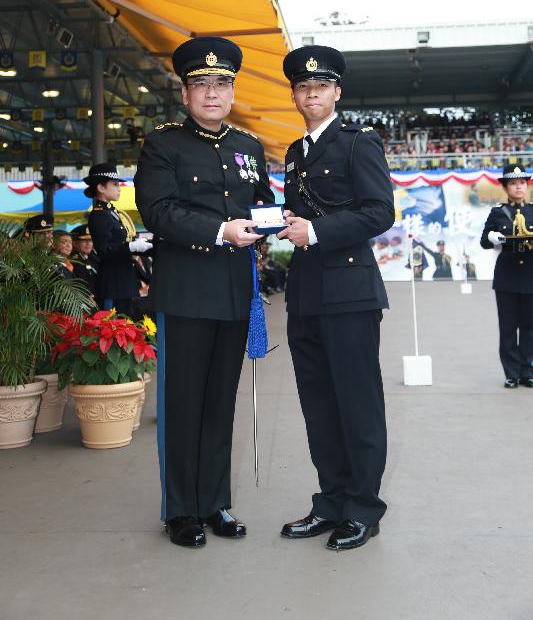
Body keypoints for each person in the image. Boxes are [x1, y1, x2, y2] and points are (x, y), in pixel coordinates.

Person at [134, 36, 274, 549]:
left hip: (235, 294)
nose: (212, 93)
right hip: (187, 292)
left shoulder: (248, 146)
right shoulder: (163, 143)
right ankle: (181, 511)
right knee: (183, 404)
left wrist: (274, 221)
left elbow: (262, 201)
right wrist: (221, 231)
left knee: (220, 404)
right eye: (202, 84)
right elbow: (159, 211)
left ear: (232, 91)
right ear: (185, 92)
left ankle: (215, 503)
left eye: (221, 84)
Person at [277, 45, 395, 552]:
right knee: (319, 404)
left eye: (319, 87)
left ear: (336, 92)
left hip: (349, 292)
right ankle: (330, 501)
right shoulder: (294, 152)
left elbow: (378, 213)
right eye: (303, 88)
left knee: (357, 402)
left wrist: (316, 232)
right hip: (305, 293)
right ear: (295, 96)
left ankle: (363, 508)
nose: (311, 94)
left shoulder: (357, 143)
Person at [480, 164, 533, 388]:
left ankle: (528, 371)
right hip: (507, 278)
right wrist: (493, 237)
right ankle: (511, 373)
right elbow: (483, 241)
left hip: (531, 276)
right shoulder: (497, 212)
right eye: (513, 183)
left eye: (522, 182)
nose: (518, 187)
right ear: (506, 187)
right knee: (508, 328)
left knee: (530, 328)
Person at [84, 163, 152, 315]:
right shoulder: (99, 214)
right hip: (113, 284)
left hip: (123, 282)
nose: (119, 188)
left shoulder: (110, 212)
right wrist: (131, 247)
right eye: (115, 184)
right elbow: (104, 250)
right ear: (101, 188)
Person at [70, 224, 99, 294]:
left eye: (90, 240)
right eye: (84, 241)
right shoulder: (73, 261)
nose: (88, 243)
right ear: (75, 243)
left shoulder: (94, 257)